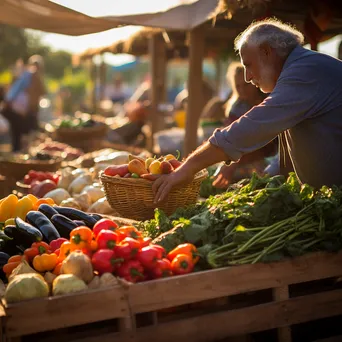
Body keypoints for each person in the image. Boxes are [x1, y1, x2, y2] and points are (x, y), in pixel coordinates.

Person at [148, 18, 342, 203]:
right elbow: (287, 145)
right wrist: (267, 177)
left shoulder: (305, 72)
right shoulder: (299, 71)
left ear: (267, 52)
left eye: (248, 65)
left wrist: (187, 168)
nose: (248, 77)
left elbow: (251, 127)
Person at [212, 62, 277, 188]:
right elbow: (231, 138)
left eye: (246, 85)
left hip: (271, 160)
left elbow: (260, 139)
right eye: (238, 86)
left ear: (253, 81)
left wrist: (233, 164)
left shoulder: (269, 103)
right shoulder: (235, 109)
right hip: (243, 162)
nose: (242, 90)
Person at [2, 55, 45, 151]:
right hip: (19, 111)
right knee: (21, 135)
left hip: (23, 111)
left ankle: (19, 153)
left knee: (21, 135)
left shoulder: (28, 76)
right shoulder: (29, 76)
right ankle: (18, 155)